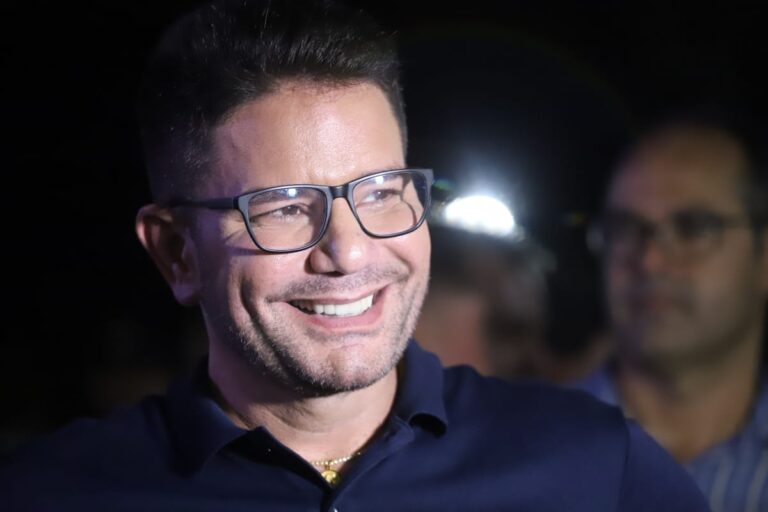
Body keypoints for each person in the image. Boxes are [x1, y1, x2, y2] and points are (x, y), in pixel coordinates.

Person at [0, 1, 708, 510]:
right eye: (283, 207)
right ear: (177, 252)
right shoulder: (53, 492)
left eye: (380, 192)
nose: (347, 250)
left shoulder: (594, 466)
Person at [579, 118, 768, 511]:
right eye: (625, 228)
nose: (650, 260)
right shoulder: (518, 446)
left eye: (694, 228)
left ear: (763, 256)